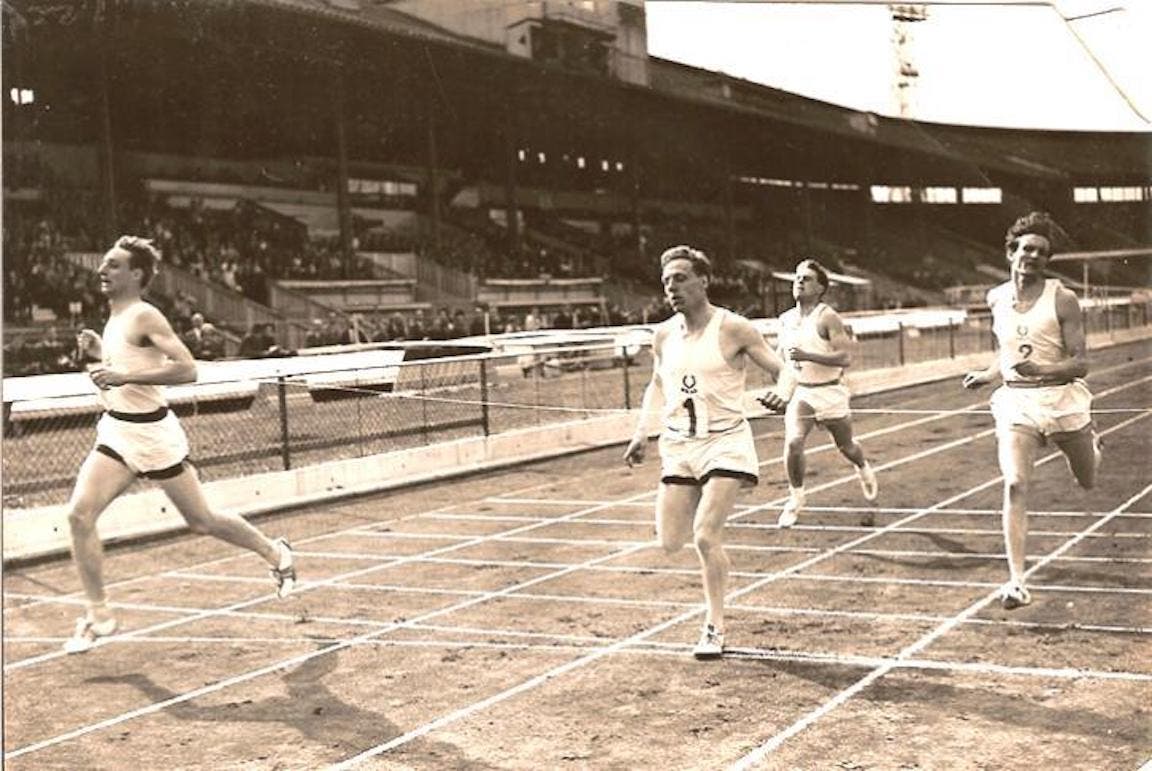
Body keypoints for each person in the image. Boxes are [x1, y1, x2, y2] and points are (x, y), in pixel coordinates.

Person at [64, 236, 297, 654]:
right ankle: (98, 615)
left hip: (154, 436)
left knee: (202, 520)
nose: (102, 271)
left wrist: (123, 377)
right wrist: (99, 357)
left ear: (136, 274)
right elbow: (121, 372)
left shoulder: (144, 316)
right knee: (80, 516)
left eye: (113, 265)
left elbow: (188, 370)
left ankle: (275, 553)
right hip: (117, 432)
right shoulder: (114, 317)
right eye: (103, 264)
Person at [623, 245, 793, 660]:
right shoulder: (662, 335)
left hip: (725, 442)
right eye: (666, 282)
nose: (672, 288)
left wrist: (784, 393)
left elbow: (783, 367)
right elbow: (657, 385)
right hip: (679, 445)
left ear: (704, 280)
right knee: (670, 541)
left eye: (680, 279)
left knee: (705, 535)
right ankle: (695, 509)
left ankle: (714, 626)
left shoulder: (733, 328)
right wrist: (641, 433)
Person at [962, 212, 1102, 610]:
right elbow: (1006, 352)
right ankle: (1017, 582)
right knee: (1014, 483)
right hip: (1017, 401)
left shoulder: (1062, 298)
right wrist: (990, 374)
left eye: (1041, 252)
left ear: (1047, 259)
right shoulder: (996, 297)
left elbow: (1080, 363)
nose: (1032, 256)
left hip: (1061, 399)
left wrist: (1042, 368)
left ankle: (1093, 447)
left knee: (1088, 480)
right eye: (1026, 249)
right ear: (1011, 253)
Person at [775, 259, 878, 528]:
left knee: (847, 446)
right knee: (794, 443)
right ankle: (796, 498)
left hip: (831, 392)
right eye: (797, 277)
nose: (799, 282)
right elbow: (781, 362)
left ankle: (863, 467)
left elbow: (845, 357)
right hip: (804, 393)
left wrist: (809, 355)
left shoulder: (827, 317)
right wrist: (779, 392)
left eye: (806, 278)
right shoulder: (785, 320)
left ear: (820, 288)